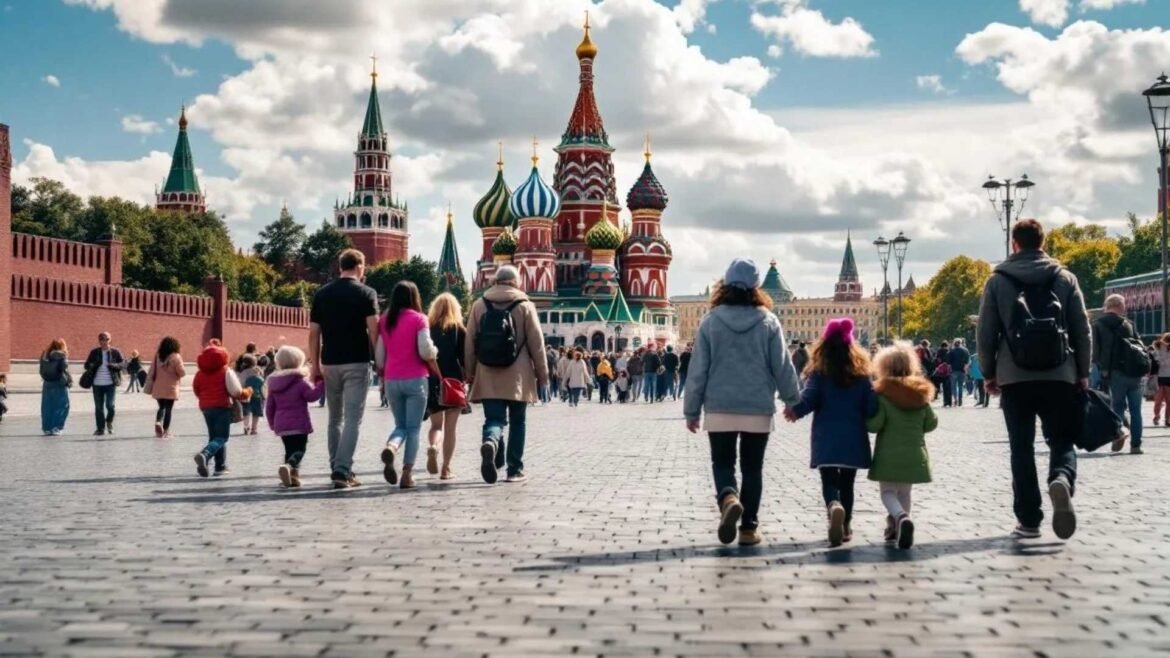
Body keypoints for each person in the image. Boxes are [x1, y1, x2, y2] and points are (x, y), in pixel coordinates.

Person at [978, 218, 1092, 540]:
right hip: (1060, 373)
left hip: (1015, 377)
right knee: (1061, 439)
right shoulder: (1065, 278)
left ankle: (1029, 520)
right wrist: (1082, 372)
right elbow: (1081, 329)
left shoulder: (998, 281)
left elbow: (986, 332)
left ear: (1015, 243)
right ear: (1043, 242)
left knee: (1021, 448)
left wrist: (989, 373)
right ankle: (1060, 478)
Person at [685, 259, 801, 547]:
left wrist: (691, 410)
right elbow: (782, 366)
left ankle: (728, 496)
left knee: (722, 461)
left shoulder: (710, 321)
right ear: (756, 287)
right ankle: (749, 528)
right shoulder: (768, 321)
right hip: (757, 408)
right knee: (753, 468)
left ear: (724, 284)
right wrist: (792, 400)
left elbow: (698, 368)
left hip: (719, 406)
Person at [784, 318, 875, 547]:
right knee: (848, 483)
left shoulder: (819, 372)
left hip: (826, 437)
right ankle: (845, 527)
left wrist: (794, 411)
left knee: (829, 479)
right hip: (854, 436)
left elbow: (809, 399)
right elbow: (872, 406)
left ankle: (833, 506)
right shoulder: (862, 374)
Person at [465, 265, 549, 484]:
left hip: (487, 371)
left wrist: (470, 372)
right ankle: (514, 469)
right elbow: (536, 343)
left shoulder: (479, 304)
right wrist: (543, 375)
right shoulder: (525, 305)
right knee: (518, 421)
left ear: (495, 281)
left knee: (493, 418)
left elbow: (470, 342)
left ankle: (491, 442)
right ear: (515, 282)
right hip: (518, 375)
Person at [309, 248, 379, 489]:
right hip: (356, 362)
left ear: (340, 267)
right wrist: (379, 360)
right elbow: (374, 331)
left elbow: (314, 334)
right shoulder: (366, 293)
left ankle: (336, 466)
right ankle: (342, 469)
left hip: (329, 362)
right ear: (360, 267)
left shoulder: (321, 294)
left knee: (334, 418)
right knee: (352, 419)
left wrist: (314, 365)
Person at [866, 343, 938, 550]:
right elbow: (931, 423)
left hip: (888, 454)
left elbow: (875, 425)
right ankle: (899, 526)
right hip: (915, 453)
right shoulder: (921, 394)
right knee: (905, 493)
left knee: (887, 492)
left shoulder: (883, 395)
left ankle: (900, 518)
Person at [377, 281, 440, 490]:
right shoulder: (419, 319)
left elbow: (379, 355)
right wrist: (435, 360)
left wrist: (383, 376)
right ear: (415, 298)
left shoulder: (384, 321)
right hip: (416, 378)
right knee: (413, 429)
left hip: (392, 379)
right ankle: (407, 474)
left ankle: (392, 446)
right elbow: (425, 350)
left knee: (400, 426)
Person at [265, 346, 325, 488]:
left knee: (289, 450)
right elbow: (312, 397)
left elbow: (269, 407)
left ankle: (292, 478)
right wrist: (321, 384)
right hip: (299, 424)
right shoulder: (300, 382)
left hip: (281, 424)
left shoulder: (274, 384)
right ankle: (289, 466)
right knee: (300, 450)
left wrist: (272, 423)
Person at [192, 340, 253, 478]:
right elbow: (236, 391)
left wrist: (204, 399)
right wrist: (248, 391)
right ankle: (205, 454)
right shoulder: (226, 371)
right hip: (222, 406)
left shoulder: (199, 373)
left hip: (206, 408)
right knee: (222, 437)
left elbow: (196, 389)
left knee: (214, 437)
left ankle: (220, 466)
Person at [1092, 293, 1144, 455]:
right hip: (1134, 372)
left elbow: (1096, 352)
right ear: (1120, 306)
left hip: (1114, 372)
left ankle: (1119, 434)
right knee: (1136, 410)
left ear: (1107, 306)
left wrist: (1101, 370)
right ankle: (1136, 445)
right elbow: (1139, 346)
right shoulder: (1129, 324)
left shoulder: (1098, 324)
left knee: (1118, 406)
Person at [425, 292, 467, 481]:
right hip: (453, 383)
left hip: (432, 380)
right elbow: (466, 358)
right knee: (451, 429)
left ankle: (434, 446)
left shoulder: (427, 327)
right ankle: (445, 468)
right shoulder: (459, 329)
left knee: (436, 426)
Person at [83, 332, 125, 436]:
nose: (104, 341)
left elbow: (123, 364)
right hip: (97, 383)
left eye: (106, 339)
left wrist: (113, 365)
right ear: (99, 340)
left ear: (110, 340)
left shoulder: (115, 352)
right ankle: (100, 429)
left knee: (110, 405)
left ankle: (109, 422)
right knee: (98, 407)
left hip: (110, 383)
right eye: (101, 339)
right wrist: (94, 364)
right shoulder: (94, 352)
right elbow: (86, 365)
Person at [149, 337, 186, 438]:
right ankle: (166, 431)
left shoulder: (158, 356)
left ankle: (158, 421)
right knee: (168, 409)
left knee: (161, 407)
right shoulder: (176, 357)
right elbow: (182, 372)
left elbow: (152, 370)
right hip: (171, 386)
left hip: (158, 385)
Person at [39, 338, 71, 436]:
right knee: (62, 405)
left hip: (47, 382)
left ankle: (47, 428)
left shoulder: (44, 355)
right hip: (59, 382)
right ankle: (57, 427)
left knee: (47, 406)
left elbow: (41, 369)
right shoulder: (62, 355)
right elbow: (64, 367)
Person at [242, 356, 267, 436]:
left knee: (247, 412)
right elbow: (263, 390)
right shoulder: (261, 380)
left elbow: (245, 387)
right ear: (259, 372)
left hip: (248, 397)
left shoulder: (248, 379)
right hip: (257, 397)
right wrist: (264, 397)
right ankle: (254, 429)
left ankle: (246, 426)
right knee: (256, 414)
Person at [947, 338, 971, 407]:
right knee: (960, 386)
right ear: (960, 343)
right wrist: (966, 369)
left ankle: (955, 400)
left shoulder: (951, 351)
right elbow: (967, 361)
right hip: (962, 370)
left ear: (954, 343)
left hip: (953, 371)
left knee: (954, 386)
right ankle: (960, 401)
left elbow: (948, 362)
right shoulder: (965, 350)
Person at [1154, 334, 1170, 427]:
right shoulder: (1161, 347)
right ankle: (1167, 419)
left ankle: (1157, 416)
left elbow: (1158, 360)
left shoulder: (1159, 347)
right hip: (1167, 376)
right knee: (1168, 400)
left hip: (1160, 376)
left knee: (1158, 399)